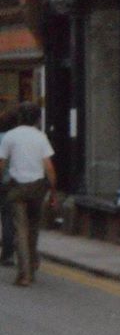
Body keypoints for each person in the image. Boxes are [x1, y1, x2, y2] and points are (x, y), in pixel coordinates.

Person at [0, 101, 57, 287]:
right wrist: (53, 190)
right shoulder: (41, 136)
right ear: (37, 118)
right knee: (33, 229)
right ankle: (32, 265)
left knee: (21, 231)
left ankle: (24, 275)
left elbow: (1, 164)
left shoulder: (10, 136)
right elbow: (48, 166)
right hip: (37, 188)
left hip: (16, 189)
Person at [0, 104, 19, 266]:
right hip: (23, 183)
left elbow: (1, 163)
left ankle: (7, 254)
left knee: (7, 218)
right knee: (17, 219)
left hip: (5, 184)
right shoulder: (19, 138)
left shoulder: (3, 138)